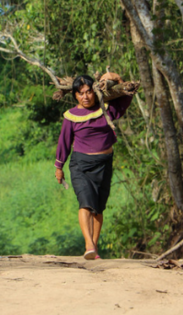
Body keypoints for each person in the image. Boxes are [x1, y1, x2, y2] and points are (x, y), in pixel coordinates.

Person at [54, 73, 133, 260]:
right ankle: (88, 243)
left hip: (104, 164)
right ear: (75, 95)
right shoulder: (71, 117)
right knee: (86, 203)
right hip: (81, 165)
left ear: (95, 92)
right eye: (81, 93)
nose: (86, 97)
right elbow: (64, 142)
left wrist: (119, 80)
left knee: (98, 208)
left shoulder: (106, 110)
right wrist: (59, 167)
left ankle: (94, 248)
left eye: (89, 92)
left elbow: (126, 98)